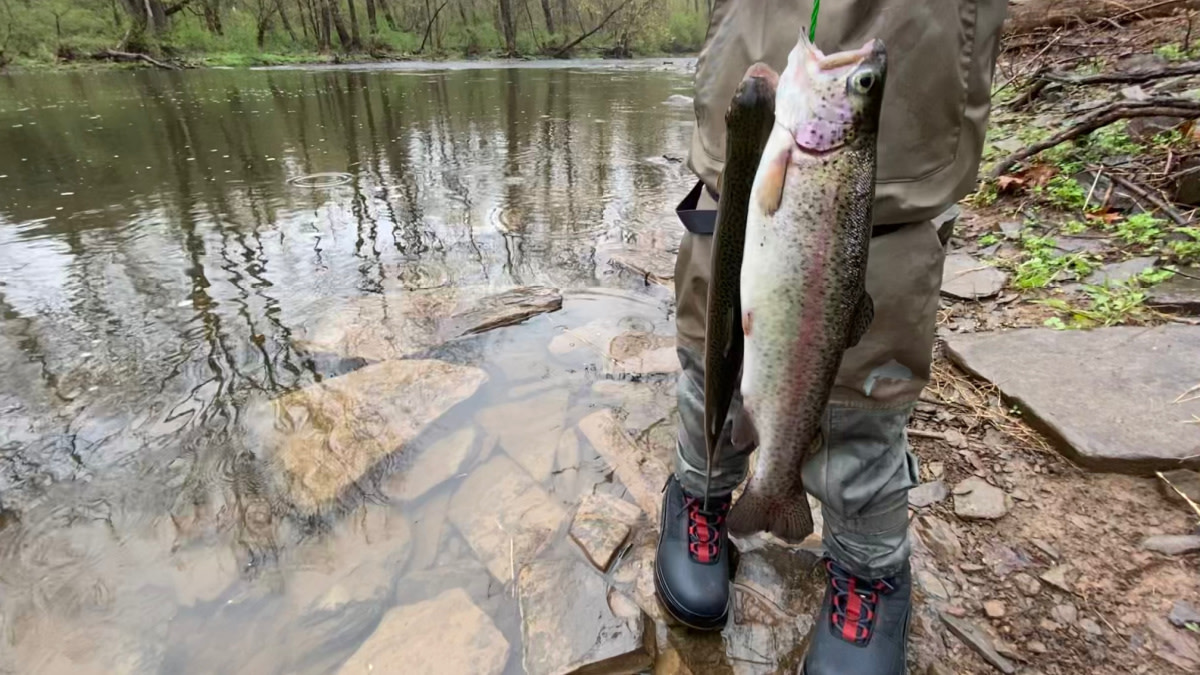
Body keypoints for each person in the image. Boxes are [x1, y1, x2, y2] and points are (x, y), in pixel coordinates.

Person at [654, 0, 1009, 672]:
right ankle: (702, 487)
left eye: (861, 86)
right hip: (758, 60)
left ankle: (868, 564)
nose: (859, 77)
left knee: (870, 360)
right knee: (715, 329)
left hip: (919, 55)